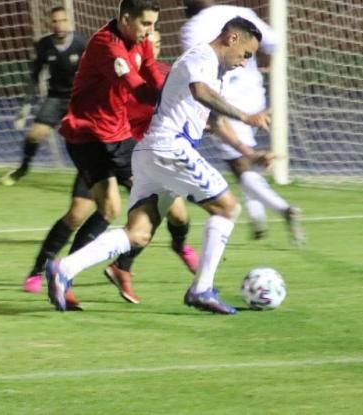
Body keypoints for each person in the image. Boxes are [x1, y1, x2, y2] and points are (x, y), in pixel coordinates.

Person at [47, 16, 269, 314]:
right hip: (169, 148)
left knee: (137, 233)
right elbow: (201, 93)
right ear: (232, 39)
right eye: (246, 54)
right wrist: (246, 116)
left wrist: (247, 152)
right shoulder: (202, 56)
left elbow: (213, 120)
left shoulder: (213, 71)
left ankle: (64, 269)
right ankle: (201, 289)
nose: (244, 63)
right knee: (228, 208)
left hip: (153, 153)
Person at [25, 29, 197, 305]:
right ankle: (40, 270)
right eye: (146, 38)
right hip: (102, 144)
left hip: (134, 152)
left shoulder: (163, 74)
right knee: (79, 213)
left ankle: (137, 261)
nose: (153, 43)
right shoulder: (116, 70)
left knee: (174, 211)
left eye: (158, 39)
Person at [43, 0, 167, 309]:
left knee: (164, 199)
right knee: (112, 208)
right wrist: (173, 101)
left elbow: (151, 71)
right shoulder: (106, 45)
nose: (149, 31)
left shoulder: (139, 40)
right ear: (126, 19)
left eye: (153, 25)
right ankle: (65, 272)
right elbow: (136, 87)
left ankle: (119, 266)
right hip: (88, 136)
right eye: (145, 24)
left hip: (118, 135)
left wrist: (169, 89)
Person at [179, 0, 304, 244]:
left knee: (239, 164)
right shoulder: (240, 12)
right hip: (254, 96)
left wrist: (209, 112)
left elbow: (200, 70)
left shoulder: (192, 28)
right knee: (245, 162)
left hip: (227, 102)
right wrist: (256, 61)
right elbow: (274, 42)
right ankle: (258, 222)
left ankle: (285, 210)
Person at [2, 6, 86, 186]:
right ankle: (23, 168)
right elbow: (35, 75)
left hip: (79, 99)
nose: (59, 25)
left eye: (63, 20)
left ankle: (109, 174)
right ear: (50, 23)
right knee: (34, 135)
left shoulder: (81, 43)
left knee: (91, 141)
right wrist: (26, 105)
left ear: (68, 22)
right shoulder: (44, 45)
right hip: (55, 98)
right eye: (55, 21)